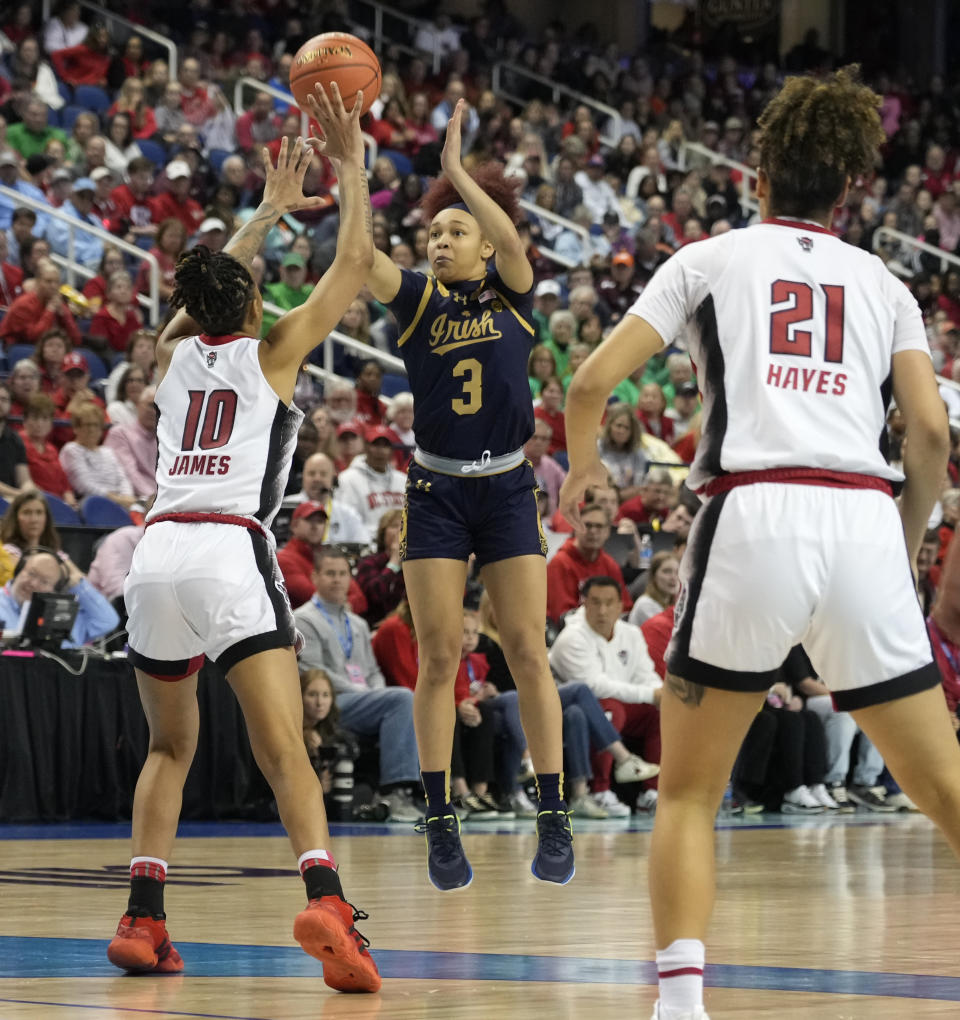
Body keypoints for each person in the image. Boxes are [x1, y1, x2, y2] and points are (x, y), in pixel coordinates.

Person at [559, 67, 957, 1020]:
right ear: (853, 187)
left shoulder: (707, 259)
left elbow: (587, 385)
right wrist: (903, 541)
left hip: (753, 515)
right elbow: (932, 436)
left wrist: (581, 470)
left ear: (758, 173)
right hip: (861, 516)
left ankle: (682, 1006)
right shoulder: (887, 281)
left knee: (691, 792)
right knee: (943, 786)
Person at [106, 83, 381, 992]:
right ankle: (328, 899)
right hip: (227, 547)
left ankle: (144, 921)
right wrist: (347, 166)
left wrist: (260, 213)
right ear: (255, 304)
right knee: (282, 752)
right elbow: (352, 262)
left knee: (167, 750)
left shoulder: (173, 353)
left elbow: (197, 297)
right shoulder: (275, 350)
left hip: (155, 557)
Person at [364, 98, 573, 891]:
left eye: (454, 232)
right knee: (439, 656)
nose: (439, 240)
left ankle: (551, 810)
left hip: (509, 487)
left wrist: (455, 175)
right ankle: (439, 816)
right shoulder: (417, 300)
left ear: (486, 245)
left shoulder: (515, 291)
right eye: (433, 233)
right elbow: (362, 256)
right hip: (438, 491)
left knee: (526, 651)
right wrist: (355, 170)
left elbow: (514, 239)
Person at [294, 545, 422, 823]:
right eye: (330, 573)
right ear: (314, 577)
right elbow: (316, 672)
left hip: (361, 699)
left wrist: (374, 691)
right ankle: (394, 792)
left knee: (407, 701)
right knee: (401, 699)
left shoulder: (358, 624)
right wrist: (367, 693)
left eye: (343, 573)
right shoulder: (303, 619)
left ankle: (431, 792)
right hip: (329, 701)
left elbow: (372, 670)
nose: (338, 579)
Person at [0, 544, 118, 645]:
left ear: (55, 590)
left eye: (44, 581)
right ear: (19, 570)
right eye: (31, 573)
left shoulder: (65, 617)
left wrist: (77, 584)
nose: (33, 583)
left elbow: (107, 621)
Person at [547, 503, 632, 621]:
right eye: (587, 525)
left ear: (607, 532)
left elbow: (624, 607)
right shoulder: (560, 563)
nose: (593, 531)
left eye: (599, 526)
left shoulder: (609, 564)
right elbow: (562, 615)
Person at [59, 401, 137, 509]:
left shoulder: (108, 452)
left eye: (96, 425)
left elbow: (123, 478)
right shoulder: (71, 450)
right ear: (76, 428)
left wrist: (127, 497)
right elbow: (83, 485)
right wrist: (116, 499)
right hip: (91, 504)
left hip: (121, 502)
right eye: (87, 425)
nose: (92, 429)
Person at [335, 424, 407, 542]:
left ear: (391, 450)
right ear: (366, 446)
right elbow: (347, 520)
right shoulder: (348, 479)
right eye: (375, 444)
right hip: (365, 544)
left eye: (385, 445)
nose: (381, 450)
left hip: (401, 544)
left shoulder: (403, 480)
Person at [286, 451, 368, 543]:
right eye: (311, 473)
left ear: (332, 479)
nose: (317, 479)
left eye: (323, 474)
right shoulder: (286, 506)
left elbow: (363, 545)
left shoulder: (348, 514)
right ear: (303, 477)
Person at [18, 392, 78, 506]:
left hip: (59, 505)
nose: (39, 424)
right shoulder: (18, 443)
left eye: (45, 418)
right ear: (25, 420)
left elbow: (65, 485)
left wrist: (69, 500)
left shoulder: (52, 449)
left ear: (51, 423)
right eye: (35, 418)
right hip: (32, 502)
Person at [102, 386, 158, 502]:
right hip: (136, 500)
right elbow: (130, 474)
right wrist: (156, 499)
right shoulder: (120, 434)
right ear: (138, 405)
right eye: (150, 405)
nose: (154, 411)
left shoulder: (164, 439)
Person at [355, 508, 406, 626]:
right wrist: (394, 561)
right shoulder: (369, 562)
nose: (400, 531)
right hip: (375, 626)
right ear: (383, 533)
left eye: (404, 525)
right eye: (394, 526)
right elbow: (374, 595)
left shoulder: (412, 566)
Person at [0, 488, 61, 561]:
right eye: (27, 512)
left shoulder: (53, 549)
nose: (34, 520)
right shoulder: (9, 550)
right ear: (15, 518)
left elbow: (76, 572)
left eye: (39, 512)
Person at [628, 551, 681, 625]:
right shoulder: (645, 604)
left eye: (677, 572)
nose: (674, 577)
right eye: (667, 571)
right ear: (653, 576)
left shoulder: (676, 604)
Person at [0, 381, 30, 498]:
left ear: (10, 405)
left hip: (10, 499)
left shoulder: (15, 438)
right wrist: (18, 495)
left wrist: (30, 493)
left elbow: (24, 480)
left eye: (4, 400)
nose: (0, 403)